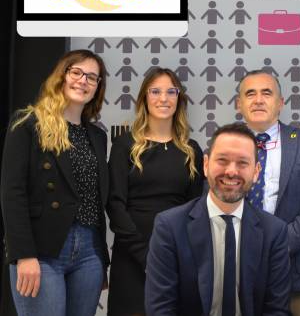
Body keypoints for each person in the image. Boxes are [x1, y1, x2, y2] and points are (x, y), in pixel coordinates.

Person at [1, 50, 109, 316]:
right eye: (76, 72)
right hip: (41, 250)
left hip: (89, 252)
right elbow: (12, 193)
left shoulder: (97, 136)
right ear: (61, 76)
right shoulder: (28, 124)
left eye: (92, 77)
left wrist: (101, 259)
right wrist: (23, 254)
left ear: (97, 87)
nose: (83, 81)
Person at [145, 123, 291, 315]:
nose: (231, 171)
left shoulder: (275, 232)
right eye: (222, 160)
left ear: (256, 172)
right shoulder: (169, 227)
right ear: (206, 165)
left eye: (242, 163)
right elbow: (161, 308)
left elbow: (276, 309)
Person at [236, 70, 300, 316]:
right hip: (239, 269)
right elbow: (215, 198)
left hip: (297, 270)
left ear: (280, 103)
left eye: (266, 93)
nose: (258, 100)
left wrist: (282, 242)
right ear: (239, 104)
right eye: (250, 94)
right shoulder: (227, 145)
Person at [107, 68, 204, 315]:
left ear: (179, 99)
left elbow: (195, 211)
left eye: (171, 92)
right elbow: (115, 205)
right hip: (131, 256)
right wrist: (146, 256)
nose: (164, 98)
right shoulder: (124, 145)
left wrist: (175, 256)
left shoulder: (192, 150)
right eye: (155, 91)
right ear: (144, 98)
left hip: (176, 256)